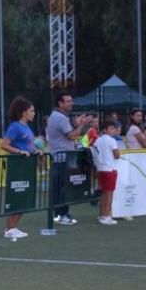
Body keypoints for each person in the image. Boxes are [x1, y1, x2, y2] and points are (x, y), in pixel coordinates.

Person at [47, 92, 93, 226]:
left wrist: (76, 123)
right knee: (62, 188)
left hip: (60, 157)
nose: (71, 103)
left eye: (71, 100)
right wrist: (82, 124)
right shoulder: (60, 117)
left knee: (60, 187)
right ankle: (61, 214)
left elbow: (67, 133)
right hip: (62, 158)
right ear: (60, 103)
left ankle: (60, 213)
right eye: (67, 101)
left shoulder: (58, 116)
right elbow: (72, 136)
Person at [0, 97, 37, 239]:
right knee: (16, 196)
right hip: (17, 166)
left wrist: (35, 151)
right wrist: (19, 152)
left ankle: (13, 227)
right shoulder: (15, 126)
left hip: (26, 166)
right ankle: (9, 229)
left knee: (23, 197)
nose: (34, 113)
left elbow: (29, 146)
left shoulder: (26, 127)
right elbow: (4, 145)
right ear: (23, 112)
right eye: (31, 111)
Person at [91, 119, 121, 225]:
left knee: (104, 193)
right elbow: (117, 154)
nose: (113, 131)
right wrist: (118, 155)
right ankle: (106, 216)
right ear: (105, 130)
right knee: (109, 194)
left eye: (114, 129)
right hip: (108, 170)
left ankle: (102, 215)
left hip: (100, 169)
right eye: (111, 129)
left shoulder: (97, 140)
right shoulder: (111, 140)